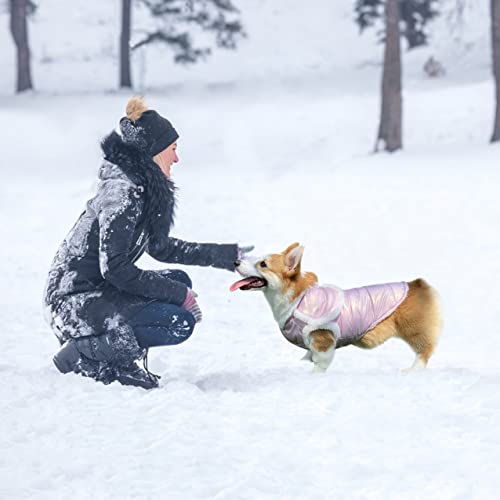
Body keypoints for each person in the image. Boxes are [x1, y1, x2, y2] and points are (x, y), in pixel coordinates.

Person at [44, 96, 253, 389]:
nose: (177, 158)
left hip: (97, 291)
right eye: (173, 150)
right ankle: (85, 354)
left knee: (180, 280)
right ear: (155, 152)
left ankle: (110, 350)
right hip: (70, 302)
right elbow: (115, 269)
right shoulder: (122, 194)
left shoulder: (141, 190)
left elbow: (161, 247)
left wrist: (227, 256)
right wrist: (179, 295)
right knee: (177, 321)